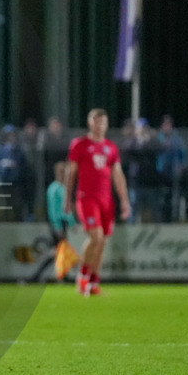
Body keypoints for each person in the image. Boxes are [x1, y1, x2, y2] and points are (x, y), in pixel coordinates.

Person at [64, 108, 131, 297]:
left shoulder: (111, 147)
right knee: (97, 238)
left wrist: (125, 200)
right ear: (90, 123)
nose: (100, 125)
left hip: (106, 200)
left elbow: (118, 175)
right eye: (97, 121)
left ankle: (93, 282)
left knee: (102, 243)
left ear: (107, 124)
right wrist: (67, 198)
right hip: (86, 198)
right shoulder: (79, 144)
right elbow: (71, 172)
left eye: (103, 122)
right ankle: (82, 277)